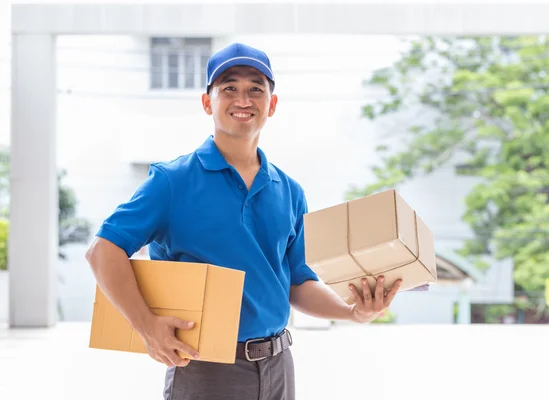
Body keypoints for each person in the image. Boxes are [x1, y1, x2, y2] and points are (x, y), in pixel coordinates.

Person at [85, 42, 404, 400]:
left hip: (279, 364)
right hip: (204, 368)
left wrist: (352, 312)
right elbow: (102, 251)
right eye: (229, 88)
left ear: (273, 103)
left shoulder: (290, 191)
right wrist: (146, 326)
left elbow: (297, 283)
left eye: (256, 88)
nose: (243, 99)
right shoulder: (173, 181)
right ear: (208, 103)